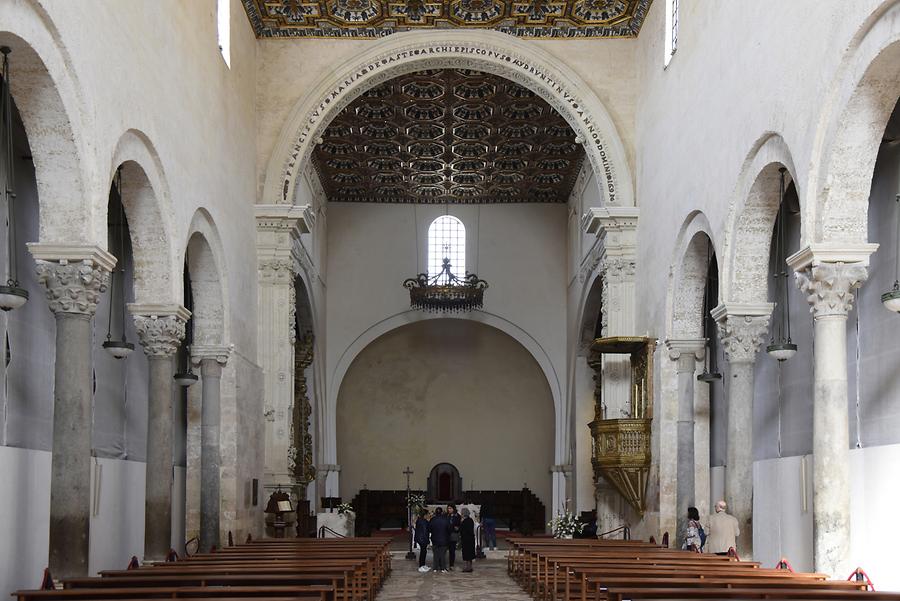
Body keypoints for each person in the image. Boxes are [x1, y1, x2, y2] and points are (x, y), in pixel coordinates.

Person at [428, 507, 451, 572]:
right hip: (444, 538)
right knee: (442, 554)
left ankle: (435, 567)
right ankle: (443, 567)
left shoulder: (432, 520)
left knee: (435, 554)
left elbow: (429, 529)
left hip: (435, 539)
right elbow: (449, 529)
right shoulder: (446, 520)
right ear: (441, 512)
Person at [459, 507, 476, 572]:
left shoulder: (465, 521)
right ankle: (470, 567)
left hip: (466, 539)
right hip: (470, 539)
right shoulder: (470, 520)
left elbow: (464, 530)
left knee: (467, 554)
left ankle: (468, 567)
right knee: (470, 554)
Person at [447, 504, 460, 570]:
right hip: (447, 534)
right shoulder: (447, 516)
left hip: (453, 534)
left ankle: (451, 564)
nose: (449, 510)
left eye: (450, 508)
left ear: (453, 509)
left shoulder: (457, 516)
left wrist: (456, 528)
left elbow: (458, 525)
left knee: (452, 550)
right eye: (448, 508)